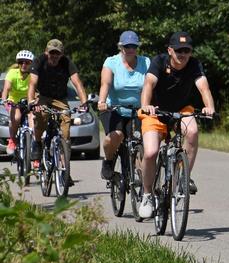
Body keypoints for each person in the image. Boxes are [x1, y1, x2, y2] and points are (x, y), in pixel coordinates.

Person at [138, 31, 215, 219]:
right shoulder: (159, 61)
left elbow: (203, 87)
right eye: (179, 50)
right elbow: (148, 84)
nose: (183, 55)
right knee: (150, 152)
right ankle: (147, 195)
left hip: (181, 110)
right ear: (170, 50)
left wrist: (209, 107)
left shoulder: (194, 64)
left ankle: (183, 178)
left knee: (193, 131)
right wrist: (146, 106)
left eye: (187, 50)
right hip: (155, 111)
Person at [28, 39, 88, 184]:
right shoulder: (39, 61)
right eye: (51, 53)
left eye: (57, 53)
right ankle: (37, 142)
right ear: (46, 52)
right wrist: (31, 102)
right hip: (42, 96)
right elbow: (32, 83)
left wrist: (84, 102)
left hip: (60, 99)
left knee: (65, 131)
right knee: (41, 115)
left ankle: (65, 170)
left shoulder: (67, 63)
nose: (54, 56)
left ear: (61, 54)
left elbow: (77, 83)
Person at [98, 31, 150, 180]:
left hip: (138, 110)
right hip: (114, 109)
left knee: (141, 141)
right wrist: (102, 102)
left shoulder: (145, 62)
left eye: (134, 46)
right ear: (121, 47)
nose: (131, 49)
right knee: (116, 135)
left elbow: (151, 85)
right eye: (127, 46)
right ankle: (108, 162)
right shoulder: (111, 62)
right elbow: (105, 84)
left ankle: (141, 181)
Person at [1, 50, 35, 155]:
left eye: (27, 62)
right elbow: (6, 88)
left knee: (33, 117)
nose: (24, 65)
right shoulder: (12, 73)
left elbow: (38, 89)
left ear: (31, 63)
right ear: (18, 63)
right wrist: (5, 101)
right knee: (16, 117)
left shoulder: (33, 74)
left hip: (29, 101)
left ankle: (34, 142)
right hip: (14, 101)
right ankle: (12, 140)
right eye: (21, 62)